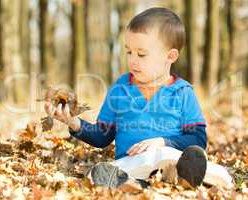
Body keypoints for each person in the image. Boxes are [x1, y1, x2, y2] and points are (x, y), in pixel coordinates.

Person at [45, 7, 207, 188]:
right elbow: (102, 136)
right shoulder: (119, 90)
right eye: (129, 52)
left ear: (170, 56)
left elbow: (198, 139)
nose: (133, 60)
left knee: (207, 168)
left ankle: (180, 179)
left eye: (142, 54)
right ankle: (135, 184)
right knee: (99, 173)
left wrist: (163, 142)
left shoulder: (183, 92)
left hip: (171, 160)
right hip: (131, 164)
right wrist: (73, 122)